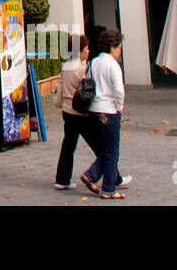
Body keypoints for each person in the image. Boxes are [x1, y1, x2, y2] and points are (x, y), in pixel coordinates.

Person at [54, 35, 128, 191]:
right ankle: (113, 178)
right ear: (80, 51)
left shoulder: (65, 66)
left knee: (68, 146)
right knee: (104, 147)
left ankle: (62, 179)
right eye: (86, 49)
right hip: (81, 113)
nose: (88, 51)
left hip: (67, 111)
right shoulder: (81, 69)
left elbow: (60, 89)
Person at [82, 29, 130, 200]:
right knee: (112, 151)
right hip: (109, 110)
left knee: (105, 148)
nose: (119, 53)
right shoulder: (113, 65)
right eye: (118, 49)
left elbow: (86, 82)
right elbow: (118, 90)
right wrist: (119, 107)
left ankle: (92, 175)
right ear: (112, 48)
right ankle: (108, 188)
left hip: (93, 110)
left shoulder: (94, 62)